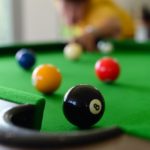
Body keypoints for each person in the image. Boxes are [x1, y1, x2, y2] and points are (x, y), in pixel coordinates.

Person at [55, 0, 135, 51]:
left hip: (127, 44)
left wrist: (90, 34)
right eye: (66, 7)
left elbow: (114, 25)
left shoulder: (97, 8)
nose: (71, 15)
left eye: (77, 7)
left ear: (86, 3)